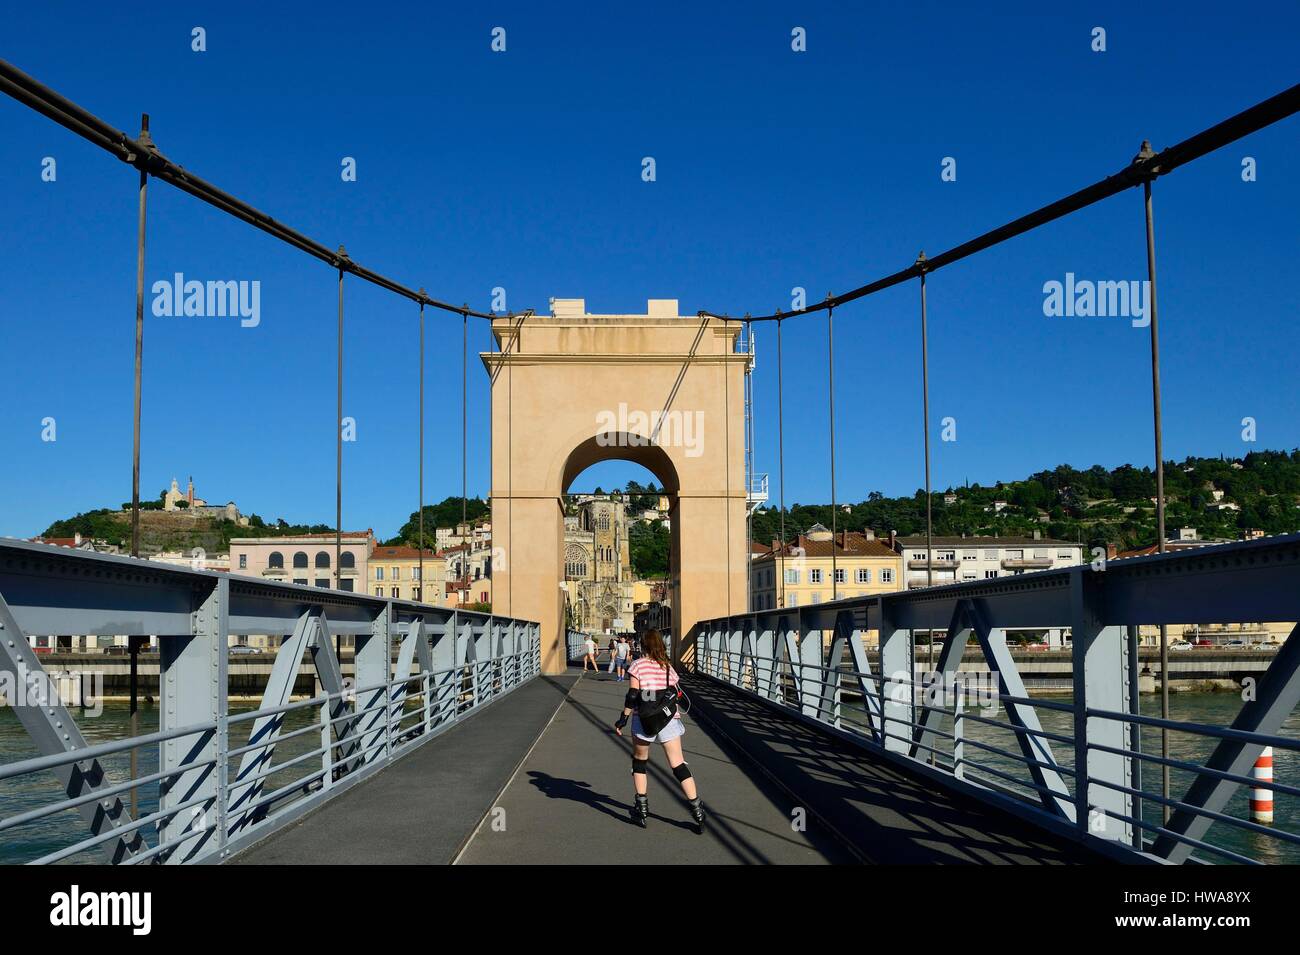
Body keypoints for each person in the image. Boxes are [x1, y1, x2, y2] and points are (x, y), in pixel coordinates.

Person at [613, 629, 705, 832]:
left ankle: (642, 809)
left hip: (644, 719)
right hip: (668, 719)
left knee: (640, 762)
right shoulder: (667, 667)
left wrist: (623, 718)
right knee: (678, 764)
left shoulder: (637, 665)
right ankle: (697, 810)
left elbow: (633, 696)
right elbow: (675, 692)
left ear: (643, 645)